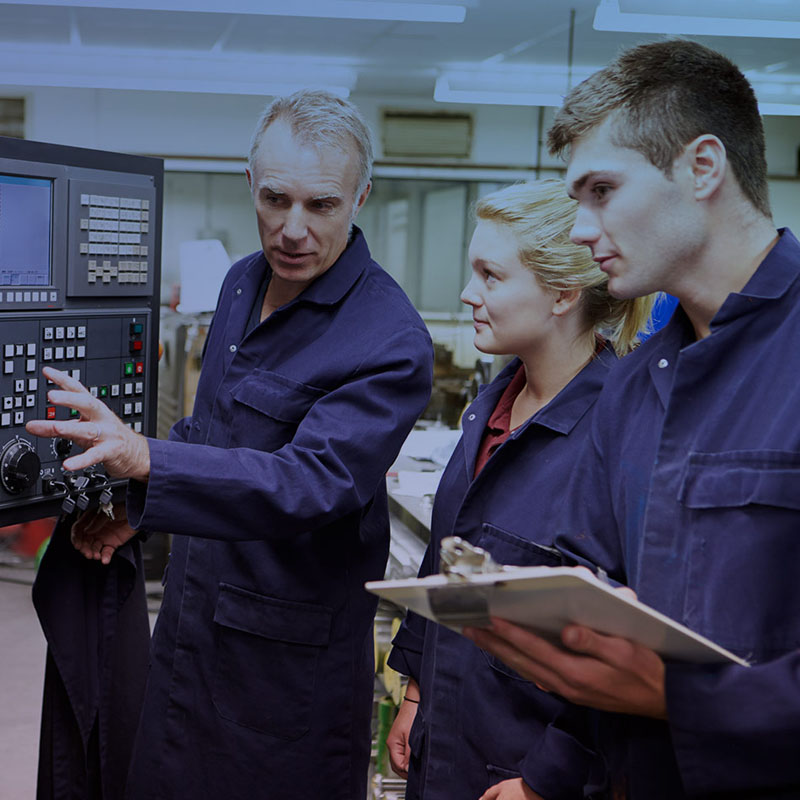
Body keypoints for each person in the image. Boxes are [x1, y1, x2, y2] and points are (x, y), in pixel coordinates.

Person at [27, 89, 433, 799]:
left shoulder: (390, 340)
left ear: (360, 197)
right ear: (250, 183)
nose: (293, 229)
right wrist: (139, 506)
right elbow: (210, 430)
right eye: (275, 199)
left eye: (322, 205)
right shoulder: (244, 283)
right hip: (189, 634)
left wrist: (147, 458)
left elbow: (309, 483)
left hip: (285, 677)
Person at [465, 40, 800, 799]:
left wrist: (684, 698)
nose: (579, 231)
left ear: (702, 168)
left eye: (603, 191)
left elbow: (657, 682)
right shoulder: (634, 386)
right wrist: (544, 780)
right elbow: (599, 596)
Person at [385, 179, 654, 800]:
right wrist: (417, 691)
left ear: (563, 293)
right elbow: (447, 567)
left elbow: (623, 644)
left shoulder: (619, 432)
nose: (467, 292)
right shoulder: (491, 409)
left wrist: (544, 779)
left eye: (491, 276)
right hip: (445, 745)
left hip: (522, 766)